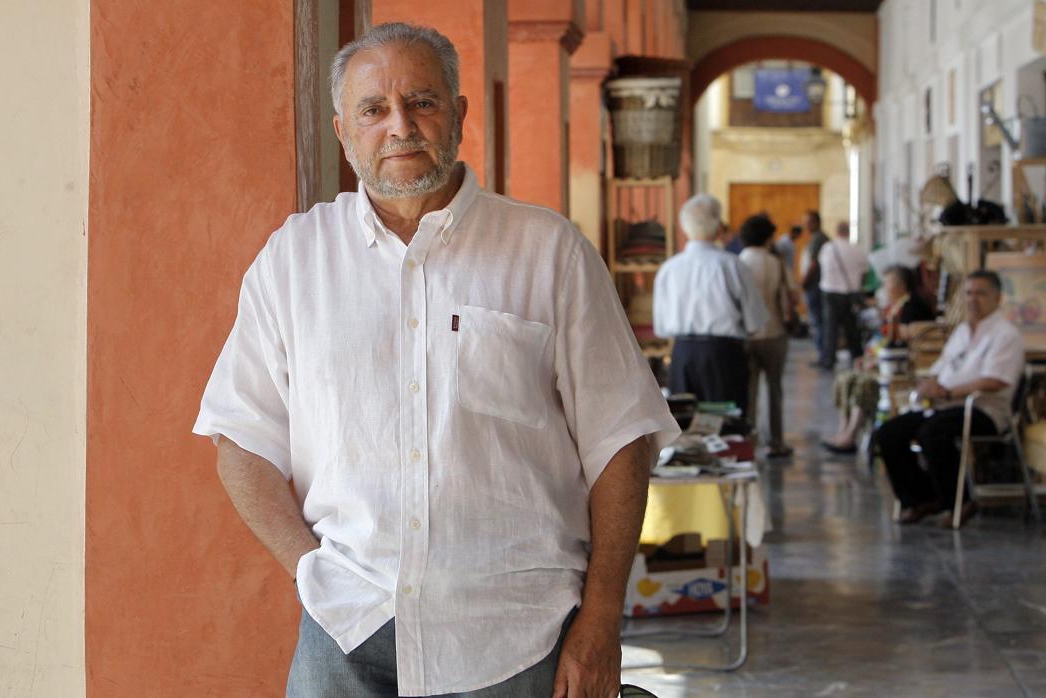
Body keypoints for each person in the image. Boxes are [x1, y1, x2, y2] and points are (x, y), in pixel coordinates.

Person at [193, 23, 679, 698]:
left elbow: (621, 442)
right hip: (345, 639)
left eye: (422, 101)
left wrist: (601, 622)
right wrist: (312, 572)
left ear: (458, 112)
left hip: (518, 639)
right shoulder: (294, 262)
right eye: (373, 109)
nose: (400, 126)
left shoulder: (548, 253)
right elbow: (239, 439)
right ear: (342, 130)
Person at [874, 271, 1024, 527]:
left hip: (982, 408)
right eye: (968, 293)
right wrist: (929, 386)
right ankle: (922, 498)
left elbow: (995, 380)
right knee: (889, 432)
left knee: (933, 433)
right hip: (945, 405)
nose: (972, 299)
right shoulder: (963, 331)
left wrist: (947, 392)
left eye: (980, 293)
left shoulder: (1005, 335)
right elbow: (942, 367)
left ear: (997, 298)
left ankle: (960, 500)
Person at [653, 194, 768, 412]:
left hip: (683, 355)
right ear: (718, 228)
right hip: (724, 355)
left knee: (686, 425)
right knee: (726, 426)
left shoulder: (669, 269)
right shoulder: (733, 266)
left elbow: (661, 328)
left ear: (684, 229)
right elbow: (756, 322)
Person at [823, 265, 935, 453]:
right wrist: (869, 357)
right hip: (884, 359)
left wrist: (876, 361)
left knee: (863, 383)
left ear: (901, 285)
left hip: (899, 364)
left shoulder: (912, 308)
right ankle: (844, 430)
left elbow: (905, 345)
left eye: (887, 283)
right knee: (846, 378)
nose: (883, 288)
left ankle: (851, 434)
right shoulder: (895, 307)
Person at [738, 213, 797, 458]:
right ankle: (776, 441)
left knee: (748, 392)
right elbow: (792, 294)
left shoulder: (737, 262)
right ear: (768, 237)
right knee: (775, 389)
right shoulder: (777, 263)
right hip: (774, 333)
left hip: (746, 335)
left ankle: (748, 442)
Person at [817, 220, 870, 370]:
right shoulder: (857, 249)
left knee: (830, 327)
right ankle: (857, 356)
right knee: (852, 327)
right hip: (850, 293)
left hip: (830, 292)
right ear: (848, 232)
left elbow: (823, 267)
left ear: (837, 231)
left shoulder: (828, 248)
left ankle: (829, 359)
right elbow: (865, 272)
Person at [799, 211, 829, 361]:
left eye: (808, 222)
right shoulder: (815, 238)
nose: (805, 225)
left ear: (816, 222)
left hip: (815, 286)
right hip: (814, 285)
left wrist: (804, 280)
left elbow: (814, 263)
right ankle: (822, 354)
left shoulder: (818, 239)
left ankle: (823, 355)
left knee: (818, 321)